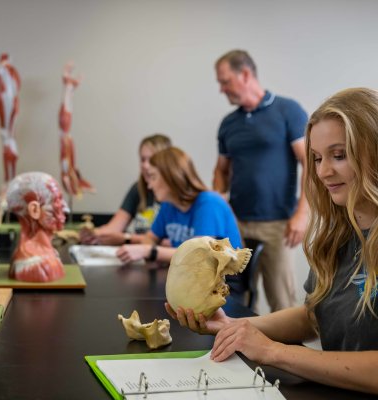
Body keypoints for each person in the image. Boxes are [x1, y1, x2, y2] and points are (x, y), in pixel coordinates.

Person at [166, 88, 378, 394]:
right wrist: (235, 328)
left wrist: (273, 352)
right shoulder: (339, 235)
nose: (322, 172)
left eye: (339, 155)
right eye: (317, 158)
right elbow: (315, 316)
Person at [213, 50, 309, 311]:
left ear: (245, 74)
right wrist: (219, 203)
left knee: (282, 301)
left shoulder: (288, 110)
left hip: (276, 225)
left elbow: (310, 163)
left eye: (225, 81)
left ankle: (286, 352)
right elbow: (221, 170)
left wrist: (302, 214)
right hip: (236, 225)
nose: (222, 89)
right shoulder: (228, 124)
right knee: (230, 297)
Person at [116, 146, 242, 264]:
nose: (150, 185)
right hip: (188, 274)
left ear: (170, 178)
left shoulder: (209, 203)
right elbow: (149, 239)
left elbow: (200, 255)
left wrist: (151, 251)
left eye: (153, 177)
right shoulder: (168, 205)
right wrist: (149, 248)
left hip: (224, 281)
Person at [79, 134, 172, 245]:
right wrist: (93, 234)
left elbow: (172, 244)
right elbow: (114, 228)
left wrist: (127, 238)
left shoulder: (174, 198)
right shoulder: (138, 188)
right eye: (142, 160)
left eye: (151, 160)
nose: (146, 166)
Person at [6, 171, 69, 282]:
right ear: (35, 210)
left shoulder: (49, 254)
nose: (65, 208)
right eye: (57, 200)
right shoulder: (36, 265)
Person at [59, 62, 95, 197]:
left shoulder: (67, 168)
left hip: (66, 140)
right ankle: (69, 84)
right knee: (66, 112)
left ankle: (68, 84)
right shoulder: (69, 168)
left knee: (66, 113)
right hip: (66, 140)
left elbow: (66, 171)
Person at [0, 53, 21, 183]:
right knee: (7, 140)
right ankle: (8, 180)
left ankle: (10, 180)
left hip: (9, 136)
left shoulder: (10, 73)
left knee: (9, 142)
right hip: (7, 134)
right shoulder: (3, 96)